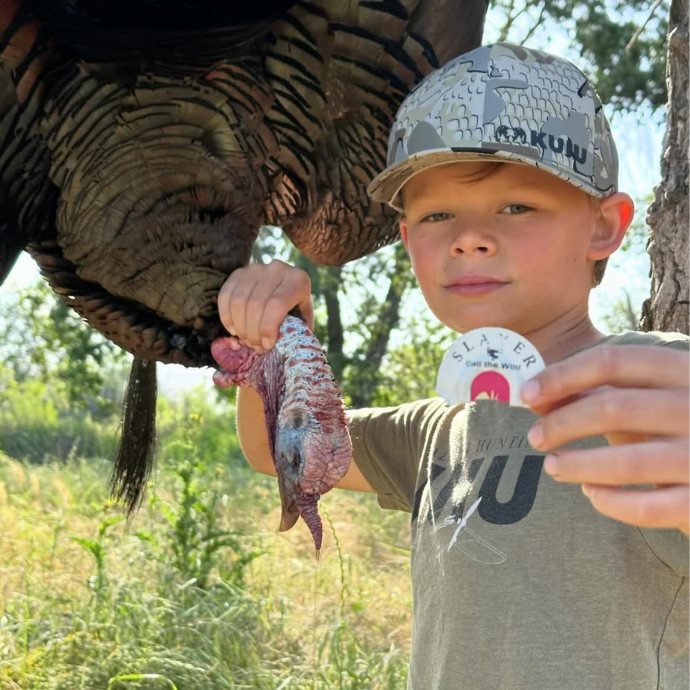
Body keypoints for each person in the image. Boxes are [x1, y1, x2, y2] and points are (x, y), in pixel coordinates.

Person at [217, 43, 689, 689]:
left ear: (604, 227)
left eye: (516, 206)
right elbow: (277, 454)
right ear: (409, 240)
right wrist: (280, 350)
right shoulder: (434, 428)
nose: (469, 237)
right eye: (437, 215)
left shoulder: (659, 382)